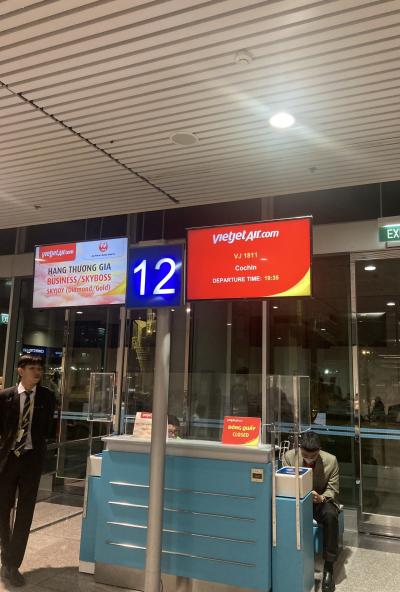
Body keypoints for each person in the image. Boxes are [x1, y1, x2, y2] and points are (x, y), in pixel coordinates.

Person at [0, 355, 55, 587]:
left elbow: (49, 428)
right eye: (32, 368)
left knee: (25, 512)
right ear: (20, 371)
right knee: (3, 510)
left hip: (32, 460)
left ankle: (12, 564)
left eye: (40, 368)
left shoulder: (47, 397)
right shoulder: (5, 397)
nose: (37, 372)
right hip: (8, 460)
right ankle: (6, 555)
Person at [283, 431, 339, 592]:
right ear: (300, 449)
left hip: (319, 501)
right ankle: (287, 560)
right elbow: (285, 482)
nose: (309, 458)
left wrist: (321, 497)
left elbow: (333, 489)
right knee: (282, 512)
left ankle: (328, 567)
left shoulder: (331, 461)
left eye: (313, 456)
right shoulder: (289, 457)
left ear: (319, 450)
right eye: (305, 455)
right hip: (296, 499)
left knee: (331, 515)